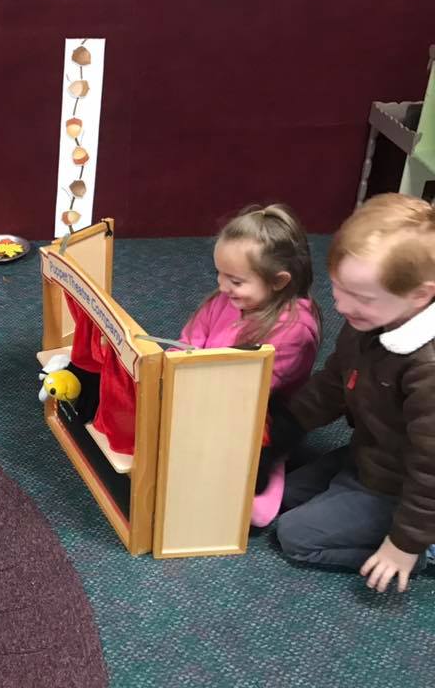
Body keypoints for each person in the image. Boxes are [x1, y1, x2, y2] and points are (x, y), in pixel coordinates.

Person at [276, 193, 435, 593]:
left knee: (295, 536)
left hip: (412, 489)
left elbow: (430, 469)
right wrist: (283, 427)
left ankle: (427, 552)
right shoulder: (372, 319)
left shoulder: (428, 369)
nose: (341, 305)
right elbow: (334, 382)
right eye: (337, 288)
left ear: (420, 295)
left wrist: (405, 546)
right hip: (374, 457)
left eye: (361, 298)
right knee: (276, 495)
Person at [180, 204, 321, 526]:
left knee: (236, 479)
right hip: (211, 387)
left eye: (236, 281)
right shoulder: (226, 299)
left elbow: (250, 389)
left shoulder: (294, 329)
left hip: (264, 408)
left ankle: (267, 474)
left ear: (279, 281)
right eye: (220, 274)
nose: (222, 286)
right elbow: (194, 333)